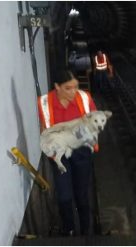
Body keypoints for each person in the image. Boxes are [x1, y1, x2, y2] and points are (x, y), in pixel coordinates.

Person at [37, 70, 97, 236]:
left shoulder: (84, 98)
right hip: (60, 155)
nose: (73, 91)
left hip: (81, 151)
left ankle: (86, 230)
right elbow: (45, 128)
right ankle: (69, 230)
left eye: (75, 87)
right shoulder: (44, 102)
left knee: (82, 194)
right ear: (57, 87)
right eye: (68, 88)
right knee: (64, 196)